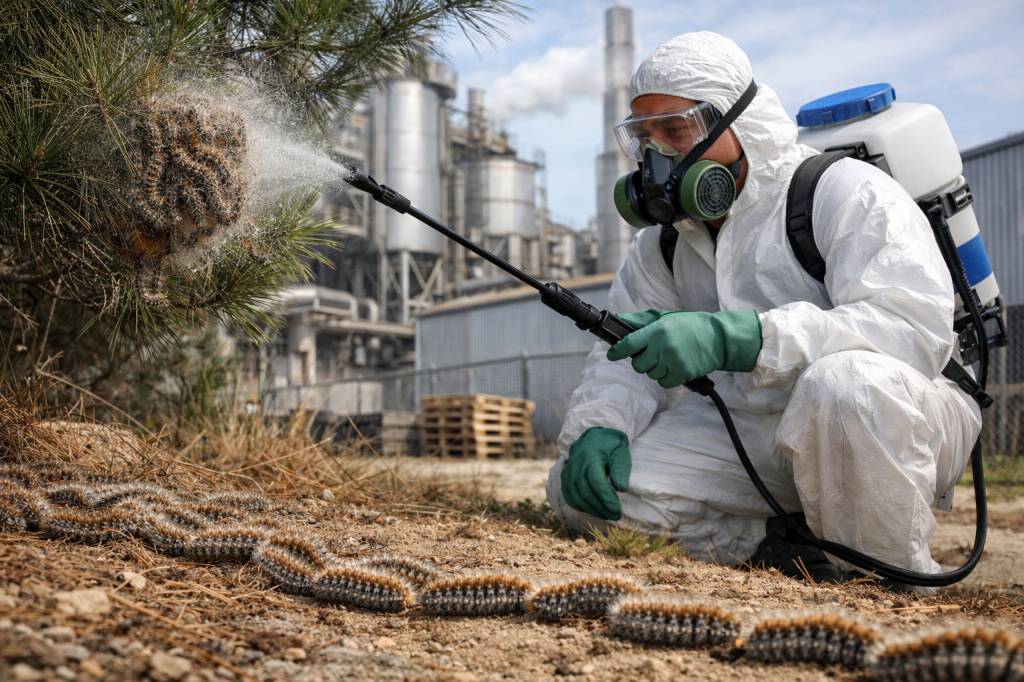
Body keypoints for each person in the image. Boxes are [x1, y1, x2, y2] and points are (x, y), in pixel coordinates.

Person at [546, 31, 981, 587]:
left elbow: (912, 331)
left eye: (676, 131)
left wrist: (745, 337)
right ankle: (782, 540)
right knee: (584, 495)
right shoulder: (665, 243)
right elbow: (621, 350)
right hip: (755, 425)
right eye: (644, 137)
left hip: (890, 417)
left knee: (843, 384)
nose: (658, 156)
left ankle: (887, 576)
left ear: (738, 122)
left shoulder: (842, 192)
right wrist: (600, 425)